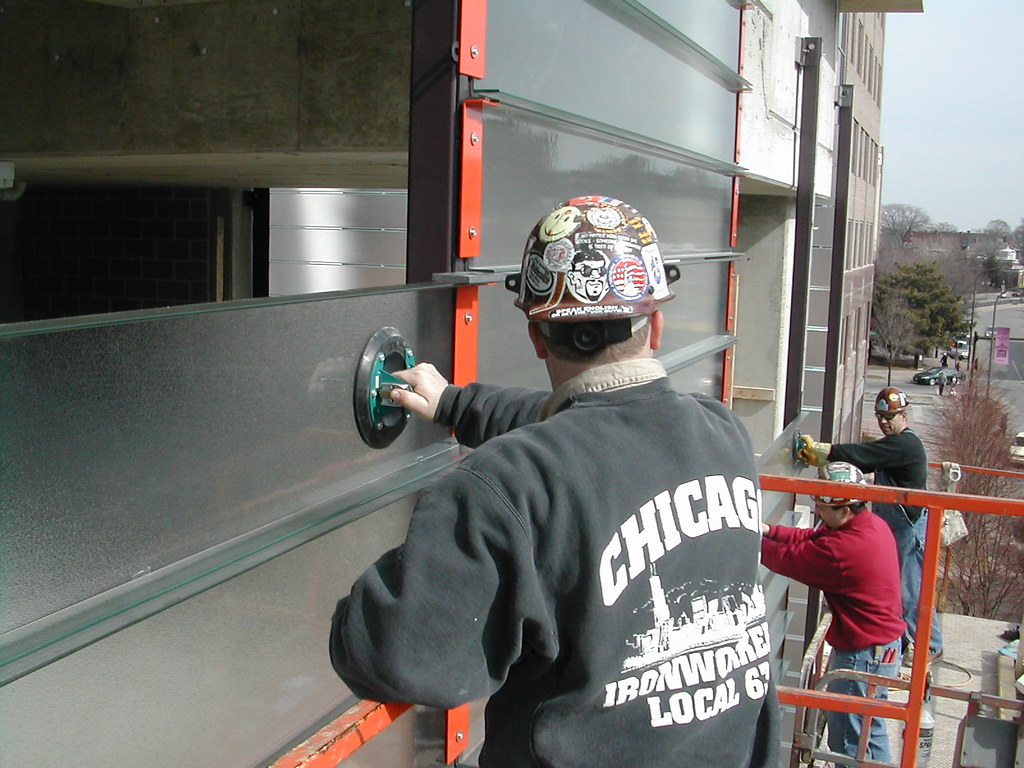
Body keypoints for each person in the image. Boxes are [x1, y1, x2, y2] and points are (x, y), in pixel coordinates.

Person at [329, 196, 780, 768]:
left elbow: (395, 655)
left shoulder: (504, 488)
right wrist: (454, 403)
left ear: (537, 337)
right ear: (657, 324)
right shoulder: (725, 435)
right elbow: (600, 430)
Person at [760, 462, 904, 763]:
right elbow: (812, 539)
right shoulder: (868, 525)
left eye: (821, 508)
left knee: (854, 746)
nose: (816, 512)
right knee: (866, 736)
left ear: (844, 509)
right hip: (877, 650)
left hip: (863, 657)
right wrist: (768, 530)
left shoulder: (847, 549)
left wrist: (740, 537)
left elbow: (788, 558)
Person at [797, 387, 942, 663]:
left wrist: (824, 452)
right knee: (901, 588)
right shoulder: (895, 445)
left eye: (892, 416)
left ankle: (930, 647)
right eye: (881, 417)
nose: (885, 422)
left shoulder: (905, 445)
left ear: (904, 415)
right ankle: (914, 642)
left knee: (910, 591)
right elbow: (868, 458)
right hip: (898, 527)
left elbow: (865, 455)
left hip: (908, 528)